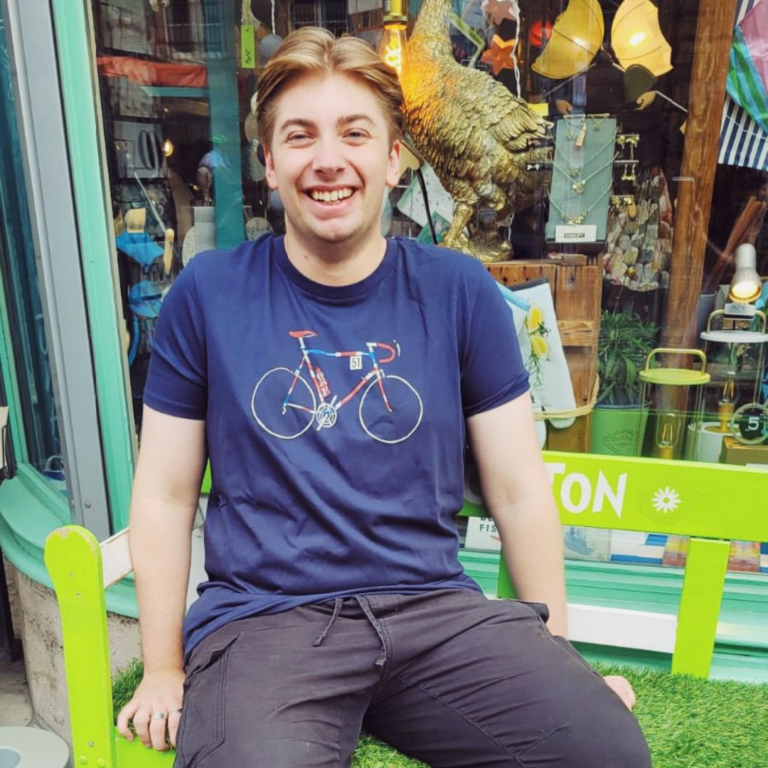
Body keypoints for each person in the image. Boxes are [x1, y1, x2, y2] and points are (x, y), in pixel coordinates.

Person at [117, 27, 651, 768]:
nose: (328, 159)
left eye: (354, 133)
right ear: (269, 163)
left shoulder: (459, 291)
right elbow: (165, 495)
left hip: (434, 611)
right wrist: (164, 668)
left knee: (604, 752)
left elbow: (518, 489)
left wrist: (555, 654)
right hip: (267, 621)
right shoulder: (208, 294)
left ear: (394, 158)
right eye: (299, 136)